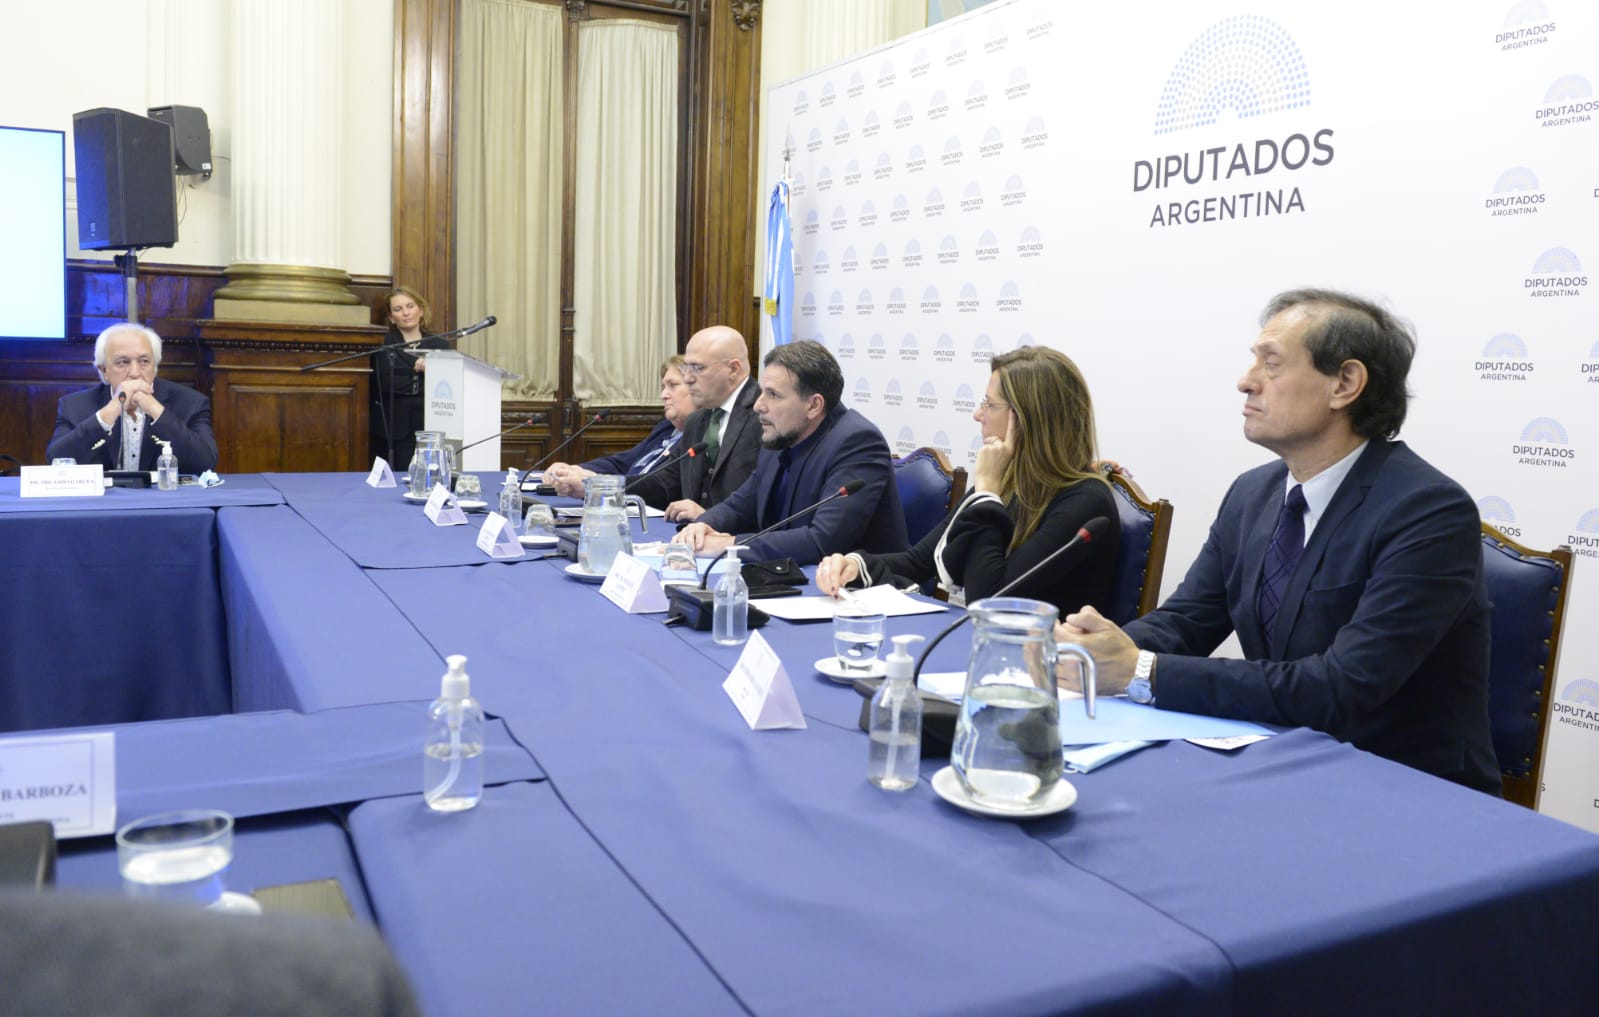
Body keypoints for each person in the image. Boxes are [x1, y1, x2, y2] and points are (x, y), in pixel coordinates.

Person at [1057, 289, 1499, 794]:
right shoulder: (1253, 494)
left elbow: (1340, 687)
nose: (1246, 382)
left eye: (1271, 364)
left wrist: (1141, 671)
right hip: (1286, 761)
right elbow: (1186, 622)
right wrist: (1090, 652)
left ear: (1345, 384)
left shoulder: (1427, 511)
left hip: (1406, 789)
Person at [815, 346, 1119, 615]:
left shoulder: (1085, 501)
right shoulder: (1010, 485)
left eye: (989, 405)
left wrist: (987, 492)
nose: (977, 414)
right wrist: (854, 565)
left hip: (1043, 657)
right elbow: (917, 562)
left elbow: (989, 602)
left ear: (1027, 419)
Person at [677, 340, 908, 565]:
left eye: (773, 395)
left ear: (814, 405)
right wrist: (703, 525)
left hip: (857, 585)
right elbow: (741, 505)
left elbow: (823, 541)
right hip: (792, 576)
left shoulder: (857, 443)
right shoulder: (781, 435)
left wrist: (729, 545)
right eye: (762, 392)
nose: (758, 405)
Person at [626, 325, 762, 522]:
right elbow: (666, 482)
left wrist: (709, 517)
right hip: (689, 536)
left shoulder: (764, 416)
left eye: (698, 368)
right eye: (686, 368)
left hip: (736, 538)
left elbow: (767, 501)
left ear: (733, 369)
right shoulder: (697, 421)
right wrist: (603, 485)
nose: (688, 378)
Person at [45, 322, 218, 474]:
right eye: (123, 362)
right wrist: (109, 413)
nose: (135, 373)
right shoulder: (74, 406)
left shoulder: (190, 403)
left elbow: (205, 463)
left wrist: (156, 411)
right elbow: (57, 460)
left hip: (163, 499)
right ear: (104, 370)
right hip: (104, 500)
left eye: (144, 361)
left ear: (155, 368)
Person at [543, 355, 695, 496]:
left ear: (696, 388)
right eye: (663, 387)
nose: (663, 395)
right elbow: (621, 462)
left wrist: (599, 484)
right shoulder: (666, 429)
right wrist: (574, 470)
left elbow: (662, 486)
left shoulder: (696, 438)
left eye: (673, 385)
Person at [370, 286, 448, 470]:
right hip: (394, 428)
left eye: (410, 306)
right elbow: (385, 384)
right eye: (398, 309)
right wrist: (419, 378)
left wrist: (433, 371)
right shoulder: (383, 344)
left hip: (430, 424)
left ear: (421, 310)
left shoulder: (440, 344)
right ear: (391, 318)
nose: (405, 313)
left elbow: (447, 386)